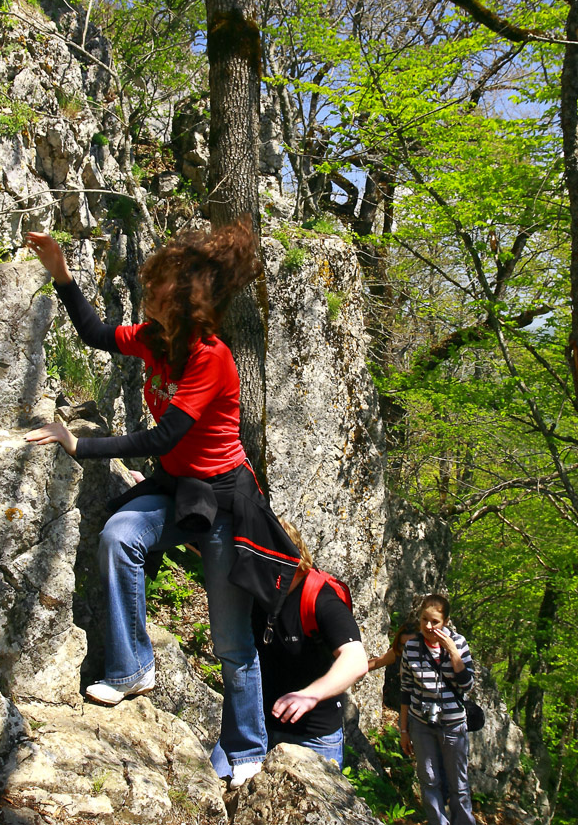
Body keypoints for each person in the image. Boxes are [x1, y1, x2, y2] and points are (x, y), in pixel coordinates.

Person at [24, 221, 268, 789]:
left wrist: (79, 444)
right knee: (118, 536)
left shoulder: (211, 357)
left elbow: (162, 437)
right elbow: (93, 332)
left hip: (226, 503)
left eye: (155, 287)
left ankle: (247, 746)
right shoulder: (154, 338)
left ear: (180, 300)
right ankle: (132, 668)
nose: (145, 293)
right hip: (176, 489)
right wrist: (61, 273)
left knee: (232, 643)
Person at [211, 521, 368, 780]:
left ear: (291, 558)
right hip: (254, 726)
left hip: (313, 735)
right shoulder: (257, 585)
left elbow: (355, 659)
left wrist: (310, 695)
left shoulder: (319, 597)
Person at [400, 593, 476, 825]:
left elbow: (467, 684)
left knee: (458, 784)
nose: (429, 626)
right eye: (424, 620)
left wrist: (452, 651)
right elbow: (405, 689)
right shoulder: (412, 646)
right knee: (429, 780)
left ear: (446, 622)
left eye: (435, 621)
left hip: (453, 725)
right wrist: (403, 731)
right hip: (421, 723)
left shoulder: (459, 643)